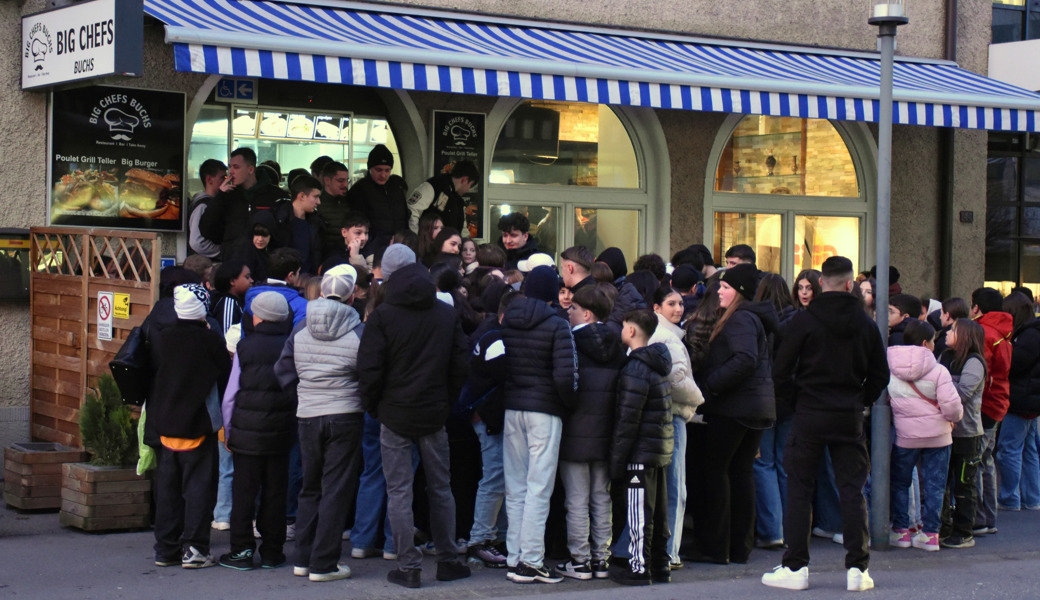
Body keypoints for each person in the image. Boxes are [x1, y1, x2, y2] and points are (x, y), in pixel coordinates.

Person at [763, 256, 888, 592]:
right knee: (852, 489)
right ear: (850, 284)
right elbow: (880, 375)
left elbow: (781, 370)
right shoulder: (866, 325)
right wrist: (860, 399)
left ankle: (796, 567)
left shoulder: (804, 322)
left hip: (809, 413)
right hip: (848, 414)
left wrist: (796, 399)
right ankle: (857, 569)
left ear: (821, 284)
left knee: (799, 487)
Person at [358, 262, 472, 589]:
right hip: (434, 412)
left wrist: (374, 405)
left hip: (394, 413)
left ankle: (409, 565)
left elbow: (369, 368)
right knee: (440, 487)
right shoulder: (446, 315)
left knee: (399, 491)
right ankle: (449, 558)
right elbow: (459, 366)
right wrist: (446, 402)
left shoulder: (382, 316)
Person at [274, 265, 364, 582]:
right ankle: (324, 563)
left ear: (322, 291)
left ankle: (302, 558)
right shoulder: (358, 331)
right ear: (352, 296)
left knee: (310, 487)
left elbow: (283, 369)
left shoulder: (300, 327)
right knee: (335, 488)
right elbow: (369, 375)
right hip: (345, 413)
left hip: (308, 413)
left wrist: (302, 395)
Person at [687, 263, 775, 565]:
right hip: (752, 408)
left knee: (717, 473)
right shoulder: (750, 318)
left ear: (740, 292)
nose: (719, 291)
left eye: (725, 287)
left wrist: (709, 387)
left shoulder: (740, 319)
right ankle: (738, 547)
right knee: (739, 474)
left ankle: (717, 546)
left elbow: (745, 359)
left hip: (733, 408)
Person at [500, 265, 578, 584]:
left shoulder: (507, 320)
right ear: (551, 293)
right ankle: (532, 560)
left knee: (516, 487)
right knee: (539, 487)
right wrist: (568, 406)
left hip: (512, 408)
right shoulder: (557, 324)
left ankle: (515, 555)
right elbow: (565, 376)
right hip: (545, 410)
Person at [150, 284, 232, 569]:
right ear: (203, 308)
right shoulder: (208, 340)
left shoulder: (163, 337)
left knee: (168, 490)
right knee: (198, 489)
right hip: (198, 423)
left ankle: (165, 549)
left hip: (165, 423)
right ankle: (195, 549)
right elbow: (224, 373)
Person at [219, 292, 296, 571]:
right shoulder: (292, 345)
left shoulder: (244, 347)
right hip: (281, 431)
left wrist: (228, 430)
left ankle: (241, 551)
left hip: (246, 433)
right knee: (276, 491)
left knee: (244, 492)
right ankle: (273, 551)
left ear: (258, 317)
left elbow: (231, 394)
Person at [556, 285, 624, 581]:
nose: (567, 311)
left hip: (575, 431)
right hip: (607, 432)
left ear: (586, 312)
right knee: (601, 497)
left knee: (576, 499)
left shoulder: (569, 343)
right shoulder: (618, 345)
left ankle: (580, 560)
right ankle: (601, 559)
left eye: (572, 308)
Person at [608, 309, 674, 586]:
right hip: (658, 449)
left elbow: (627, 419)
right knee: (658, 512)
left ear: (631, 330)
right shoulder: (657, 364)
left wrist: (616, 461)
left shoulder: (635, 367)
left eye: (624, 326)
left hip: (639, 453)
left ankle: (638, 567)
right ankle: (660, 565)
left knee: (639, 513)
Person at [887, 319, 962, 552]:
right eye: (931, 341)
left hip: (905, 436)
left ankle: (901, 531)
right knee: (935, 484)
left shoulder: (890, 369)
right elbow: (953, 408)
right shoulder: (939, 370)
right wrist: (952, 420)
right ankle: (930, 535)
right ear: (924, 343)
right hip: (938, 436)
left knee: (900, 483)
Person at [460, 287, 517, 568]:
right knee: (494, 478)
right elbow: (504, 376)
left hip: (488, 417)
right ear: (506, 315)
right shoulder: (496, 338)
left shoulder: (492, 333)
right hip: (489, 418)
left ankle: (495, 537)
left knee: (501, 478)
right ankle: (480, 540)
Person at [649, 285, 703, 567]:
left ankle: (665, 549)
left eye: (680, 303)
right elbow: (676, 381)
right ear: (657, 308)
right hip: (674, 415)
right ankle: (670, 551)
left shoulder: (664, 334)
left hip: (664, 416)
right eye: (671, 304)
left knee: (666, 487)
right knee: (675, 488)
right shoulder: (667, 338)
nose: (678, 308)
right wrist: (699, 399)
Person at [751, 273, 797, 550]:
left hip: (766, 400)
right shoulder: (797, 321)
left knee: (763, 463)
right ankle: (791, 527)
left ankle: (771, 530)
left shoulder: (760, 320)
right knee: (784, 464)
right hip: (791, 400)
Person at [938, 318, 987, 548]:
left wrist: (939, 386)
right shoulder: (945, 356)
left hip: (967, 434)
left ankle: (964, 531)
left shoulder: (974, 362)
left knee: (964, 485)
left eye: (954, 329)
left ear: (965, 335)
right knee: (942, 483)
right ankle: (944, 527)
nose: (948, 331)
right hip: (943, 431)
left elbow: (962, 394)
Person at [969, 287, 1012, 536]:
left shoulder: (983, 332)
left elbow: (978, 372)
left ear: (977, 307)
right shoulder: (1002, 330)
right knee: (986, 460)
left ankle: (980, 518)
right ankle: (988, 518)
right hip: (998, 401)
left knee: (976, 460)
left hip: (984, 403)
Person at [199, 147, 290, 259]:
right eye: (230, 167)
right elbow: (207, 229)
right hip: (234, 263)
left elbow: (286, 234)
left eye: (236, 167)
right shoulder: (227, 196)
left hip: (266, 263)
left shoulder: (276, 196)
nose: (231, 172)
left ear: (251, 170)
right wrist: (220, 196)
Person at [997, 292, 1040, 511]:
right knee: (1028, 449)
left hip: (1020, 400)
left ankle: (1009, 498)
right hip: (1030, 401)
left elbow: (1013, 364)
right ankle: (1032, 498)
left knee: (1009, 449)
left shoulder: (1028, 336)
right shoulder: (1032, 332)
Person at [346, 146, 410, 254]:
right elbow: (357, 223)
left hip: (398, 246)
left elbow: (403, 219)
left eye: (387, 170)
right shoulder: (359, 190)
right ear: (370, 168)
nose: (383, 175)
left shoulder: (396, 188)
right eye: (378, 170)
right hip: (372, 250)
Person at [407, 160, 480, 234]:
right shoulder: (434, 186)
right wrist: (415, 239)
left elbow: (463, 230)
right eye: (470, 185)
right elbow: (412, 210)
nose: (468, 190)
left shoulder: (459, 202)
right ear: (464, 180)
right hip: (426, 243)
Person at [274, 175, 325, 275]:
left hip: (310, 282)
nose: (319, 202)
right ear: (302, 196)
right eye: (315, 196)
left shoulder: (317, 222)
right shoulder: (280, 221)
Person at [244, 248, 308, 328]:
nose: (299, 275)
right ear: (291, 275)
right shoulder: (301, 304)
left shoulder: (251, 298)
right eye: (298, 271)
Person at [188, 158, 227, 258]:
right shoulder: (203, 205)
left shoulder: (208, 201)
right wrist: (222, 250)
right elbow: (197, 242)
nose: (226, 181)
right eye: (223, 177)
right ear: (209, 179)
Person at [317, 161, 352, 255]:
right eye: (341, 180)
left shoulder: (349, 201)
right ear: (327, 180)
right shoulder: (317, 204)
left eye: (346, 180)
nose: (345, 185)